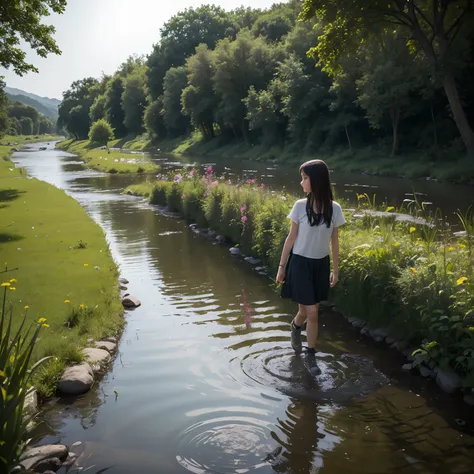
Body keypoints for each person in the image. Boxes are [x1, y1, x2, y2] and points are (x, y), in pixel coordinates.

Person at [276, 159, 346, 375]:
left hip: (320, 265)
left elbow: (334, 241)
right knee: (313, 312)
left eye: (305, 178)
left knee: (304, 312)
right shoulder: (299, 206)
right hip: (299, 264)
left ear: (316, 180)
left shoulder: (334, 209)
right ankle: (311, 356)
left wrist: (335, 269)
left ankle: (296, 327)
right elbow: (290, 238)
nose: (301, 182)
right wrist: (281, 267)